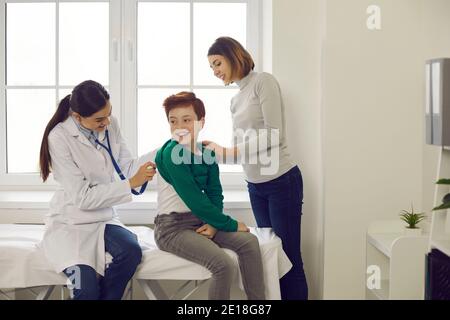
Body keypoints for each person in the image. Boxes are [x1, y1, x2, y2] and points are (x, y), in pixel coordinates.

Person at [205, 37, 308, 300]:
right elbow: (238, 149)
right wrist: (213, 153)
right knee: (273, 257)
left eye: (217, 63)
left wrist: (231, 151)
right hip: (256, 186)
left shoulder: (263, 82)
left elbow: (274, 135)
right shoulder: (235, 100)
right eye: (212, 67)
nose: (215, 71)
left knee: (289, 258)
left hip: (281, 182)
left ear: (233, 55)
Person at [39, 80, 156, 300]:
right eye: (99, 120)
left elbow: (127, 167)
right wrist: (130, 183)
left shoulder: (111, 125)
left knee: (131, 251)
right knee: (86, 288)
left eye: (109, 114)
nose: (107, 122)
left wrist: (163, 152)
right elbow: (82, 198)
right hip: (71, 223)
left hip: (103, 218)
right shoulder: (59, 137)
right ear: (77, 116)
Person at [153, 91, 265, 300]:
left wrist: (215, 224)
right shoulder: (170, 154)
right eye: (173, 121)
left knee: (249, 242)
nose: (179, 127)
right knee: (222, 265)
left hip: (201, 220)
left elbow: (214, 192)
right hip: (172, 228)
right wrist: (230, 224)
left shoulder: (206, 153)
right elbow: (194, 198)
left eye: (186, 120)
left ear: (200, 122)